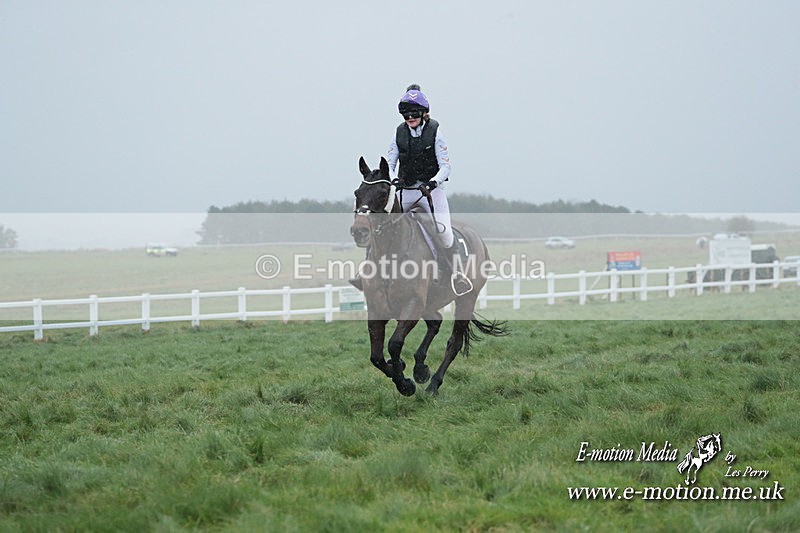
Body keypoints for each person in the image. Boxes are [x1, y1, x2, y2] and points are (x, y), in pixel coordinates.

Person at [350, 84, 472, 295]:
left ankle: (457, 275)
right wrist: (394, 179)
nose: (410, 117)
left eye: (414, 113)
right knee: (381, 224)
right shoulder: (398, 133)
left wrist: (432, 183)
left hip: (431, 192)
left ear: (424, 113)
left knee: (444, 232)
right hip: (405, 191)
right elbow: (390, 163)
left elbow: (446, 167)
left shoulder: (435, 132)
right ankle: (366, 270)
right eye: (406, 114)